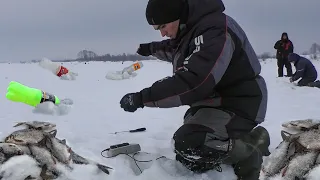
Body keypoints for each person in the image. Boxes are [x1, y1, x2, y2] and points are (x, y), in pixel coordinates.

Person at [119, 0, 270, 179]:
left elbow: (195, 80)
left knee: (191, 142)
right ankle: (242, 140)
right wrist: (150, 49)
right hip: (212, 103)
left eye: (163, 26)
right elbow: (174, 50)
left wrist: (142, 98)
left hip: (240, 103)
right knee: (190, 158)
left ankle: (248, 151)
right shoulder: (191, 31)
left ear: (178, 16)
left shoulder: (215, 30)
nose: (163, 33)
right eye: (157, 29)